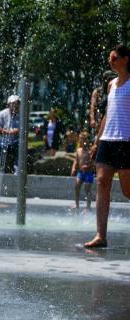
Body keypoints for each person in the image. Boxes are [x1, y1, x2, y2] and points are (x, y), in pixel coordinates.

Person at [85, 44, 130, 248]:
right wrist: (96, 141)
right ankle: (100, 235)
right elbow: (107, 115)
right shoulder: (111, 84)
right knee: (102, 183)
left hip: (126, 141)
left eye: (113, 58)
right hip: (107, 141)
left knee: (128, 190)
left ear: (125, 59)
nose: (110, 61)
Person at [0, 95, 20, 173]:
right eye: (13, 103)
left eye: (17, 103)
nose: (15, 105)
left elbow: (23, 129)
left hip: (16, 141)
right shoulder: (2, 113)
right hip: (4, 141)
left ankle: (17, 171)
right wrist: (9, 132)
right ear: (8, 105)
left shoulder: (21, 115)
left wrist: (12, 131)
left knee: (20, 148)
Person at [71, 131, 95, 211]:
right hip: (81, 173)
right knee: (77, 186)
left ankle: (88, 206)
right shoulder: (78, 150)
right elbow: (76, 160)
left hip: (89, 173)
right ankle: (76, 204)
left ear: (87, 140)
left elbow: (94, 162)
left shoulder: (90, 150)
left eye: (84, 139)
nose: (83, 141)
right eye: (81, 139)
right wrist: (74, 168)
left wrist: (88, 166)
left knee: (87, 188)